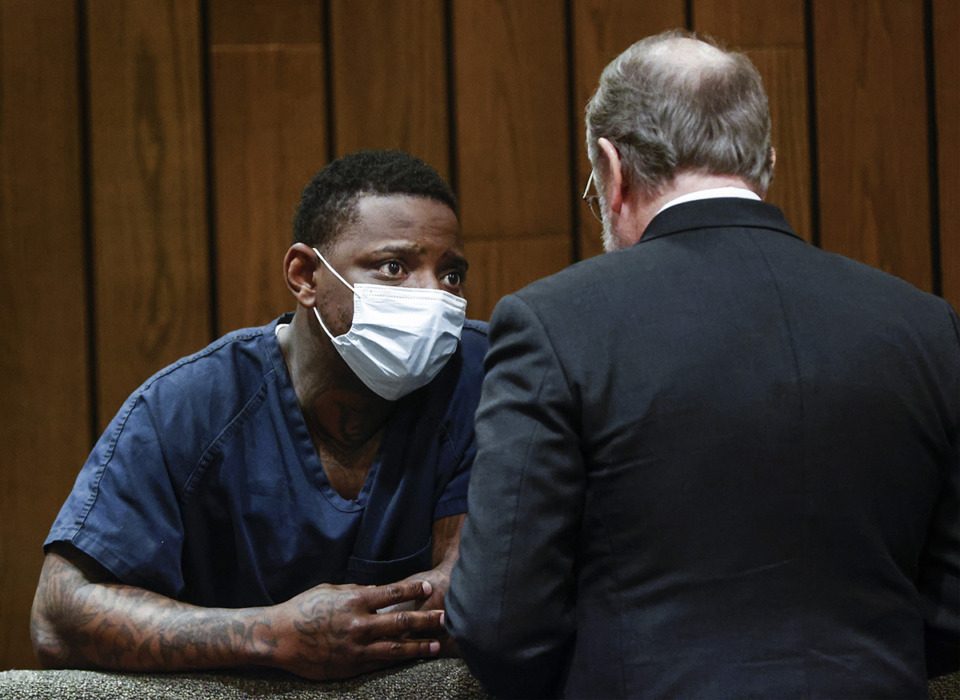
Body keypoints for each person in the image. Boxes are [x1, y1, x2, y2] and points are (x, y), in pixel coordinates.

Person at [446, 30, 959, 699]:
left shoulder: (553, 324)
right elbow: (951, 606)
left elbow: (498, 621)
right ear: (766, 161)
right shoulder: (924, 325)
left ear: (611, 167)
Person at [31, 150, 488, 681]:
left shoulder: (481, 378)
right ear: (305, 276)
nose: (434, 299)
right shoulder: (190, 407)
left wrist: (354, 628)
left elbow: (481, 592)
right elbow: (59, 616)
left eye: (451, 274)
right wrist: (272, 634)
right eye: (394, 267)